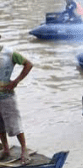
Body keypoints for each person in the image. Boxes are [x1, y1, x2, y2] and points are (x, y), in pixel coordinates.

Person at [0, 34, 33, 165]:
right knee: (0, 126)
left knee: (15, 124)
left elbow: (28, 64)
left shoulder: (9, 53)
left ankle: (24, 150)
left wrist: (16, 81)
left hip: (7, 96)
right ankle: (6, 149)